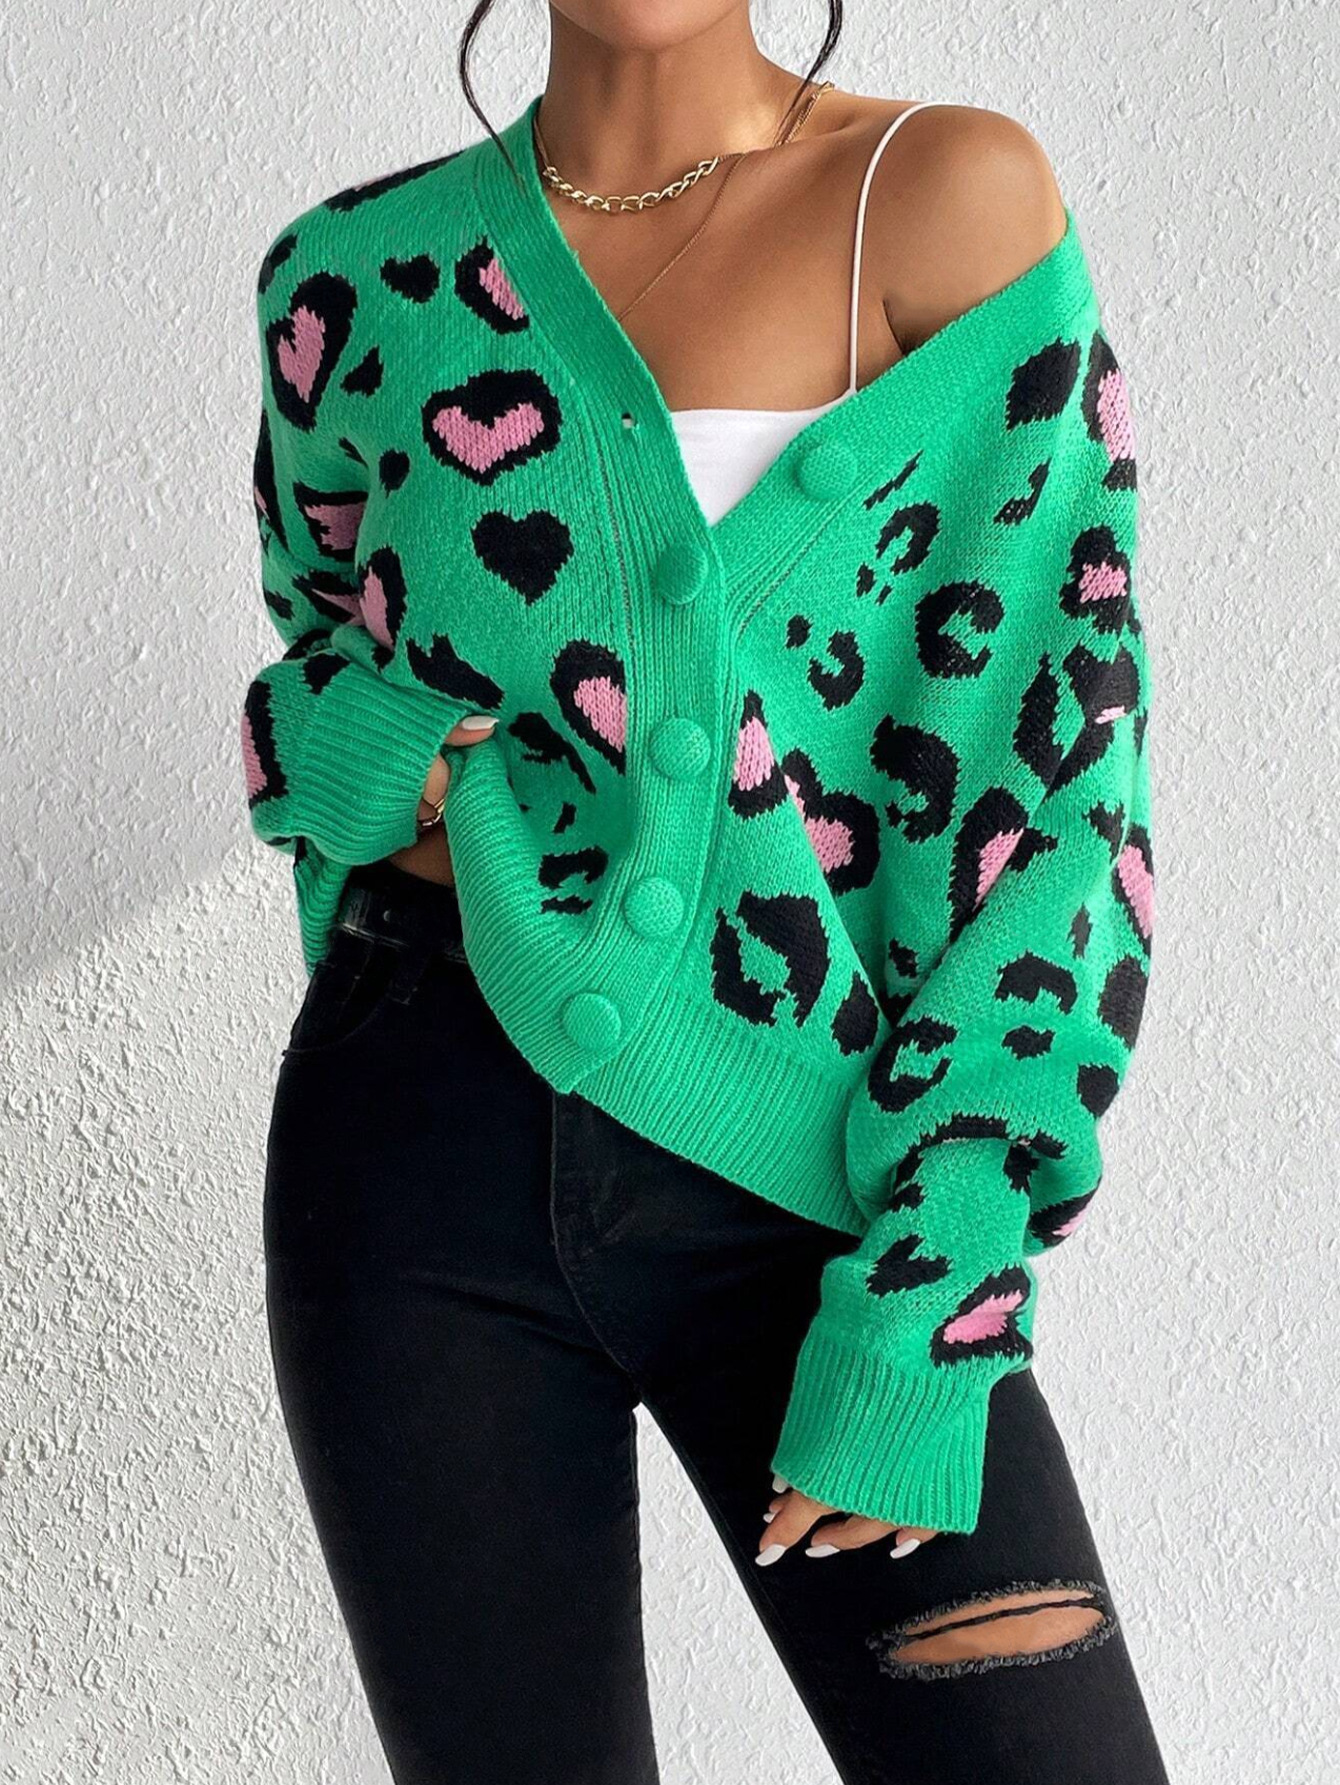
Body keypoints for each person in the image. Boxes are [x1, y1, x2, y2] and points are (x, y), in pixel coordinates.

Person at [242, 4, 1166, 1779]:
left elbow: (1060, 801)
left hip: (816, 1174)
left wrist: (937, 1283)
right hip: (414, 1143)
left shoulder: (941, 197)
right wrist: (375, 749)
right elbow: (314, 669)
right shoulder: (350, 277)